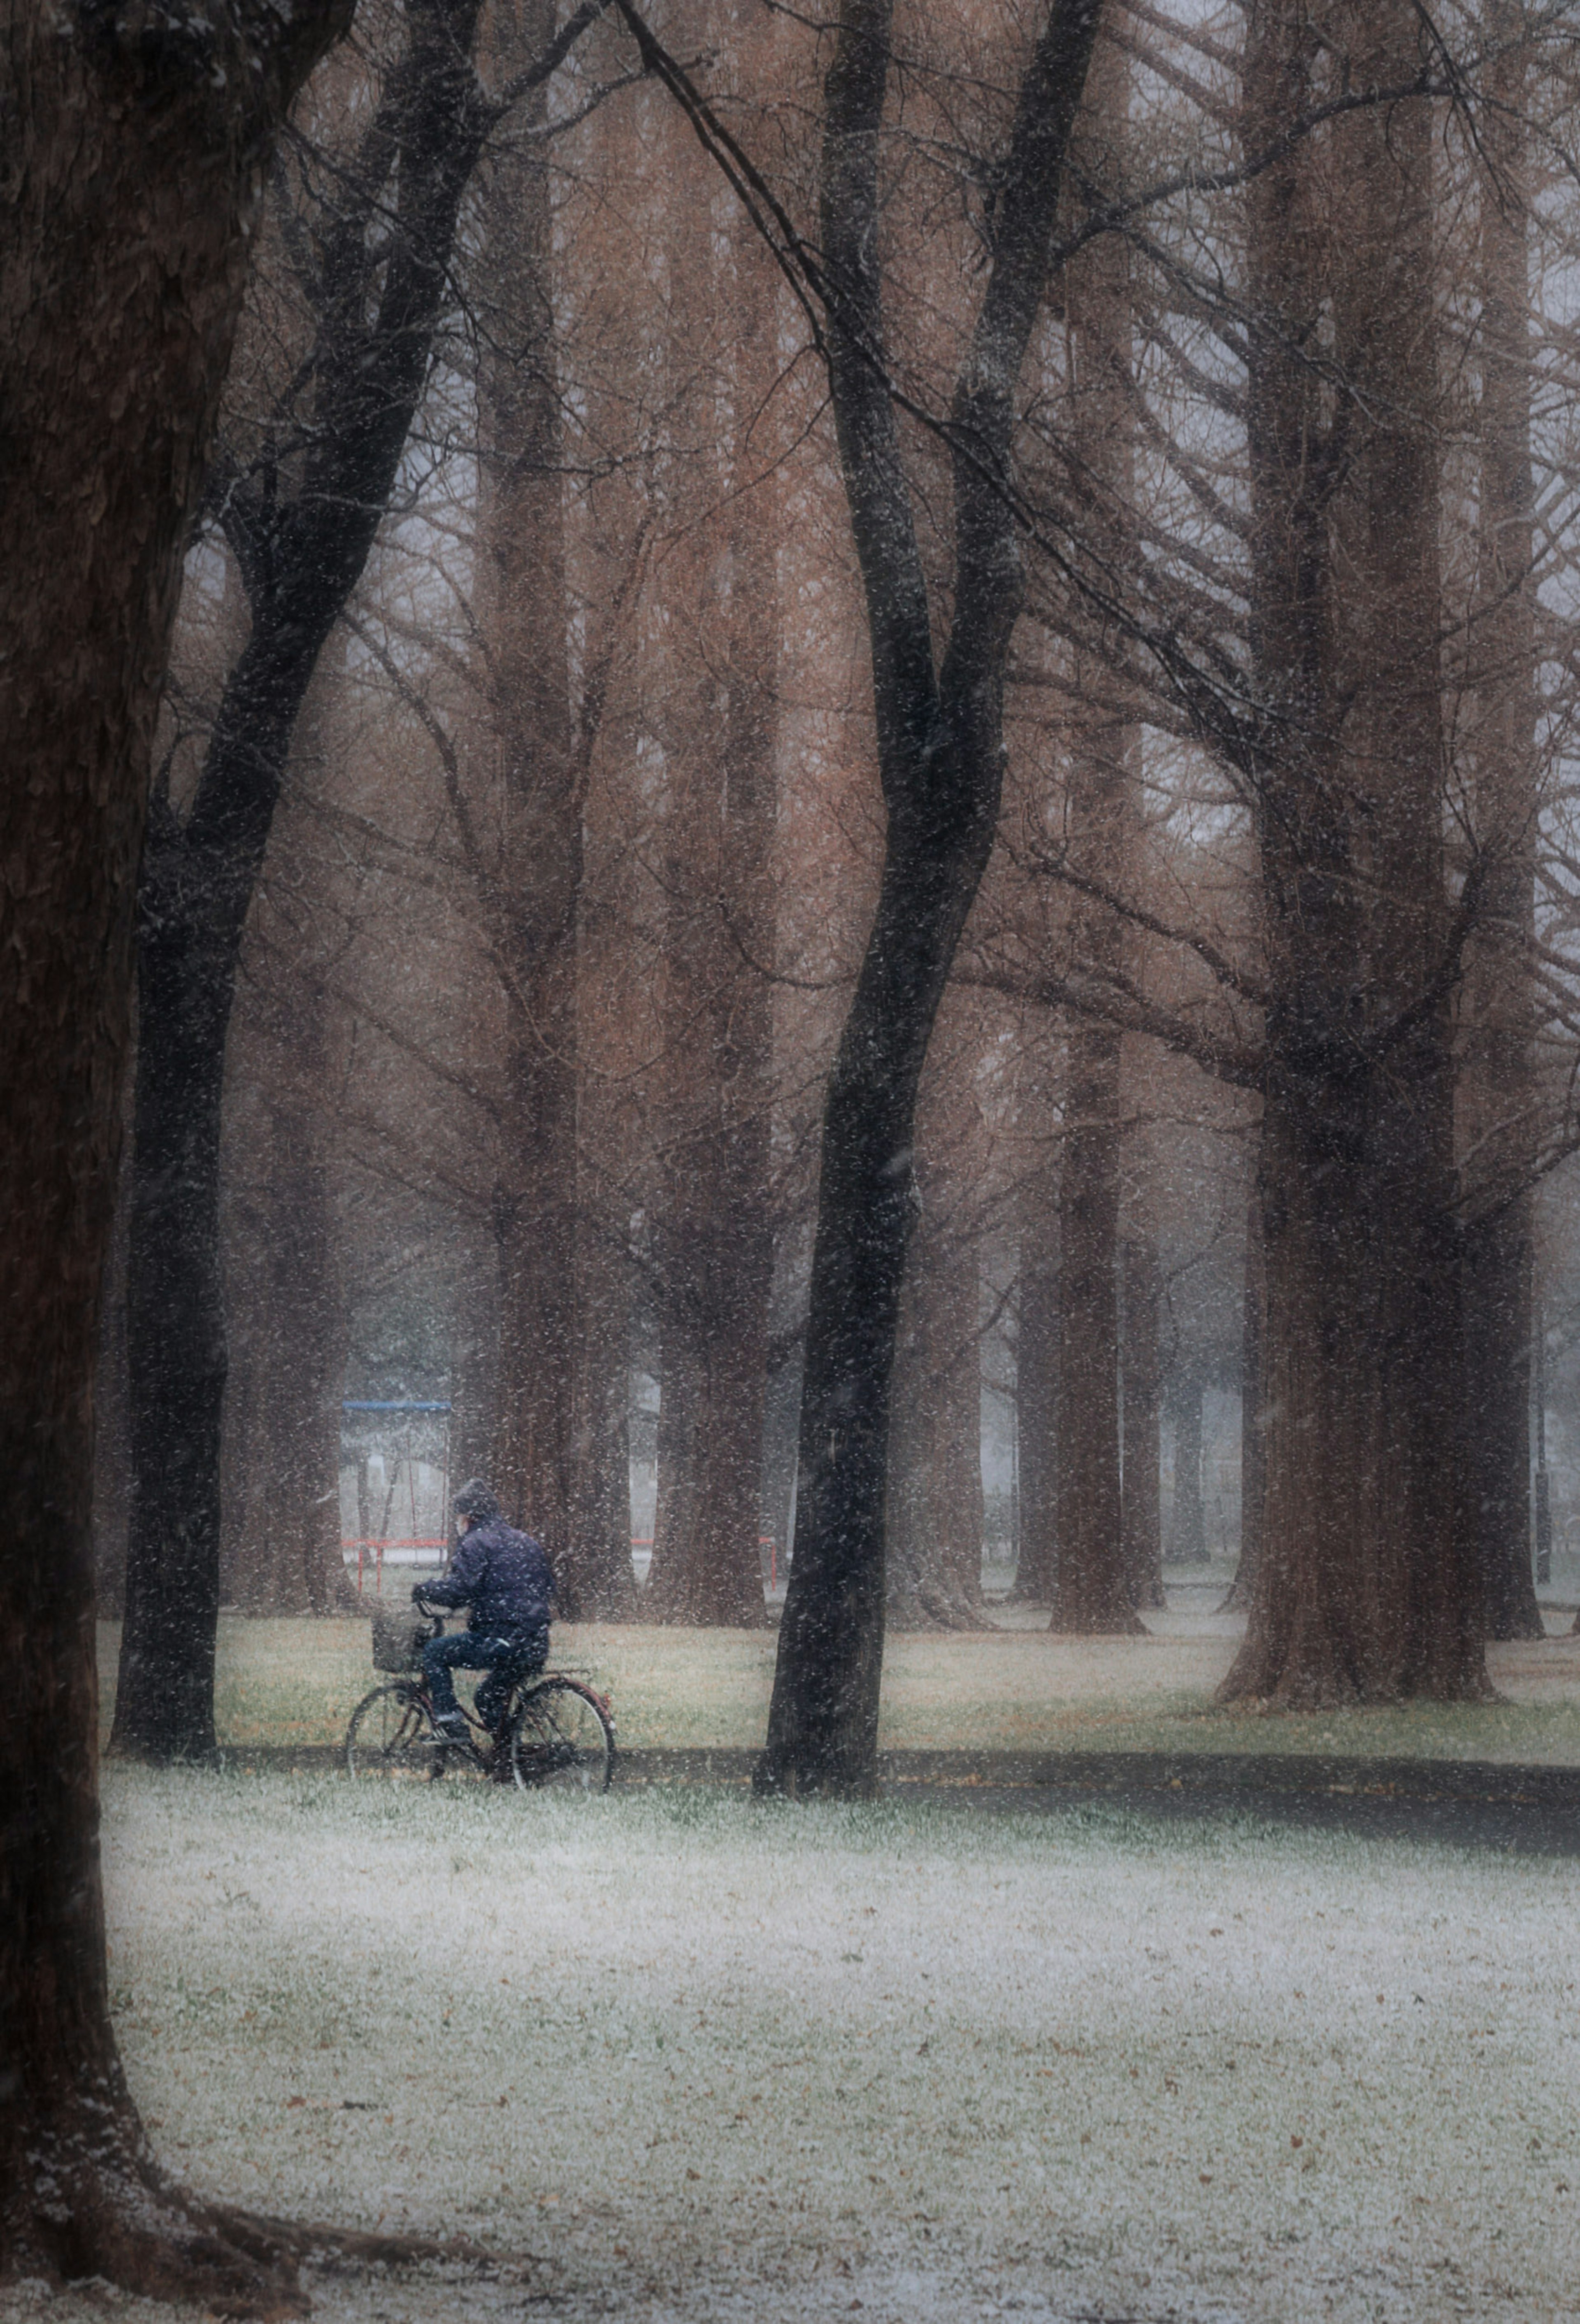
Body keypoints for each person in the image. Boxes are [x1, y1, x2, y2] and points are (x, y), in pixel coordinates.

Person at [413, 1478, 554, 1752]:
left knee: (434, 1652)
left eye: (459, 1515)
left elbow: (460, 1590)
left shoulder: (476, 1542)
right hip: (535, 1641)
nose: (459, 1522)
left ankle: (450, 1723)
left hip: (501, 1640)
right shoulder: (526, 1541)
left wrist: (426, 1589)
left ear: (469, 1516)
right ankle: (509, 1759)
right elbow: (548, 1587)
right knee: (488, 1697)